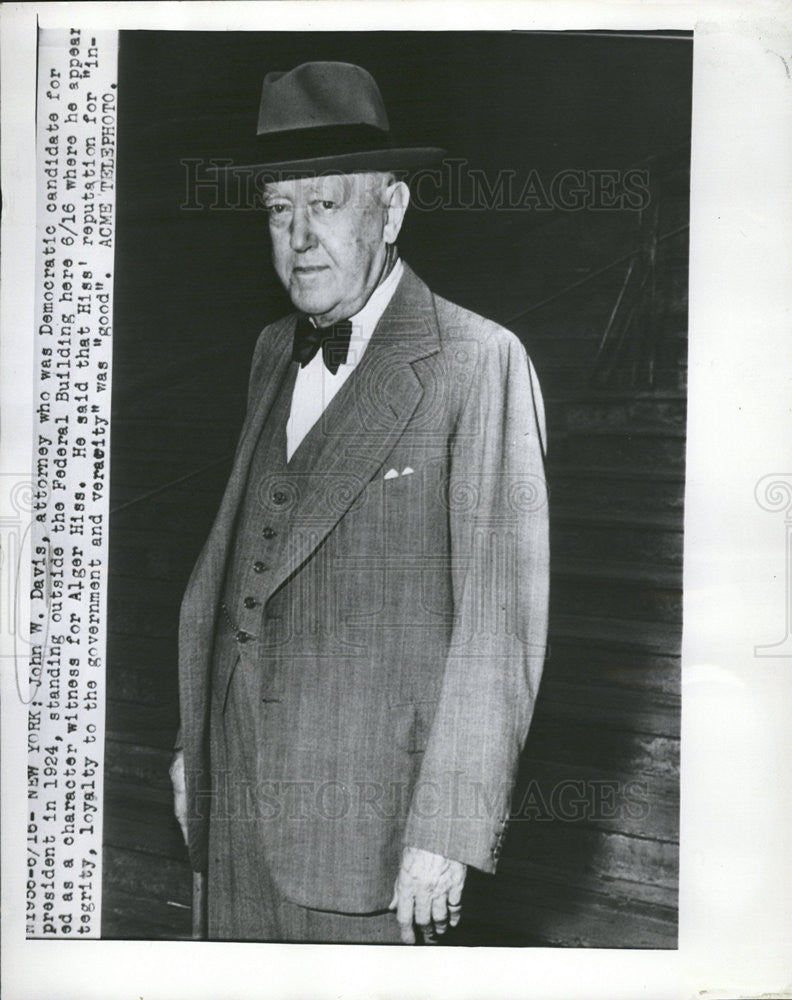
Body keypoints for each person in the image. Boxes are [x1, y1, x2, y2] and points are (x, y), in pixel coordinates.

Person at [170, 61, 549, 944]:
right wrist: (196, 743)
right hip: (231, 810)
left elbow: (501, 625)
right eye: (278, 208)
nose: (300, 237)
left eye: (328, 204)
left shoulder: (477, 360)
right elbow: (239, 577)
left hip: (370, 842)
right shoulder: (271, 350)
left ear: (392, 208)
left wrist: (446, 834)